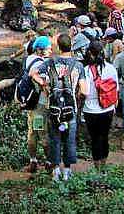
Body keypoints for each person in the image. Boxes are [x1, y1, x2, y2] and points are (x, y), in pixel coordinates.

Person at [32, 33, 84, 182]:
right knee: (69, 140)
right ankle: (67, 171)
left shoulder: (50, 62)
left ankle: (55, 171)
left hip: (53, 108)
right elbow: (84, 91)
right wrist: (79, 100)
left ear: (58, 47)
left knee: (54, 138)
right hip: (70, 109)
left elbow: (33, 73)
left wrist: (43, 84)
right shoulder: (78, 65)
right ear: (71, 47)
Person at [79, 40, 118, 171]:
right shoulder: (111, 69)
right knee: (104, 137)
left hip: (90, 110)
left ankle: (97, 169)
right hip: (107, 108)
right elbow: (116, 89)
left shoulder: (85, 71)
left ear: (89, 53)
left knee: (94, 139)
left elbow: (83, 92)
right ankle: (104, 166)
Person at [25, 36, 53, 173]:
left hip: (32, 103)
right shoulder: (40, 64)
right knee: (40, 132)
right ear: (41, 50)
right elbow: (43, 83)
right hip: (40, 105)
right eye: (49, 48)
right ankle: (47, 162)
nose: (51, 50)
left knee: (33, 131)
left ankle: (33, 160)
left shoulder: (30, 58)